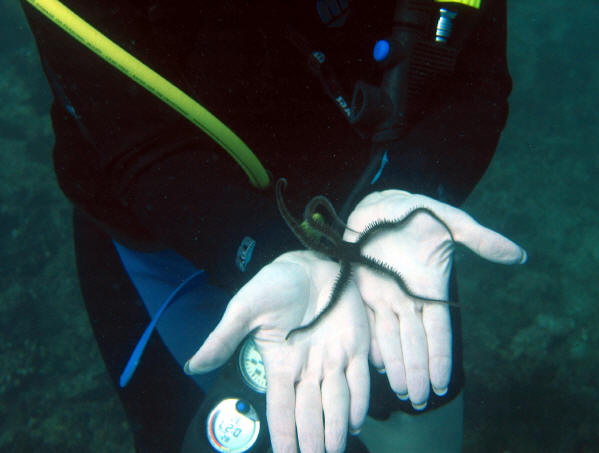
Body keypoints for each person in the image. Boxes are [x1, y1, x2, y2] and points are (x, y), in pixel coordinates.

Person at [21, 0, 526, 452]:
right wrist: (269, 252)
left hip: (366, 198)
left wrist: (409, 188)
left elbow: (478, 77)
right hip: (162, 243)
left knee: (420, 426)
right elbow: (143, 149)